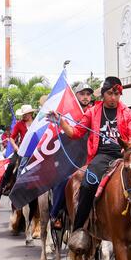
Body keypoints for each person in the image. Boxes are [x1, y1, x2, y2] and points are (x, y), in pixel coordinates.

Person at [55, 76, 131, 252]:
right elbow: (75, 132)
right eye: (110, 93)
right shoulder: (93, 112)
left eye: (117, 94)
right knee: (87, 185)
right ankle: (79, 230)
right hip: (102, 156)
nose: (113, 97)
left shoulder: (127, 113)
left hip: (124, 155)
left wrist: (129, 146)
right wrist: (60, 122)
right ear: (103, 94)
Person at [49, 85, 95, 229]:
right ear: (75, 96)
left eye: (88, 94)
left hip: (91, 157)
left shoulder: (95, 112)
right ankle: (56, 213)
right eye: (82, 94)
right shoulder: (67, 114)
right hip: (70, 156)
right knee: (64, 180)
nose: (86, 97)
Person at [0, 105, 35, 206]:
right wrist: (16, 147)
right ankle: (5, 188)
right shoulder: (19, 124)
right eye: (23, 114)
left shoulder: (37, 122)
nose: (24, 116)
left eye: (26, 114)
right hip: (22, 150)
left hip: (37, 149)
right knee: (11, 165)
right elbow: (11, 137)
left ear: (31, 114)